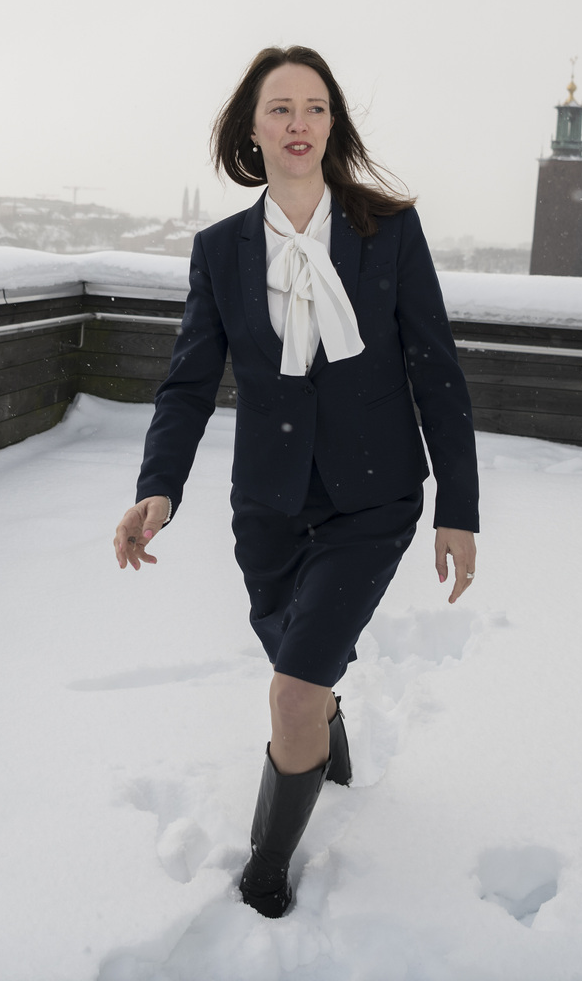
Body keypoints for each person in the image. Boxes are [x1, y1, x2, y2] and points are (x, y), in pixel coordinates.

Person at [111, 45, 480, 918]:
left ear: (334, 124)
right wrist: (158, 489)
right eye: (280, 108)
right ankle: (327, 722)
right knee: (297, 662)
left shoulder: (385, 229)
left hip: (375, 498)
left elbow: (436, 370)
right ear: (253, 128)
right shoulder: (220, 251)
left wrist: (457, 511)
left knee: (290, 688)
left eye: (315, 108)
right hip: (268, 506)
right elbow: (189, 383)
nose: (299, 124)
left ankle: (265, 867)